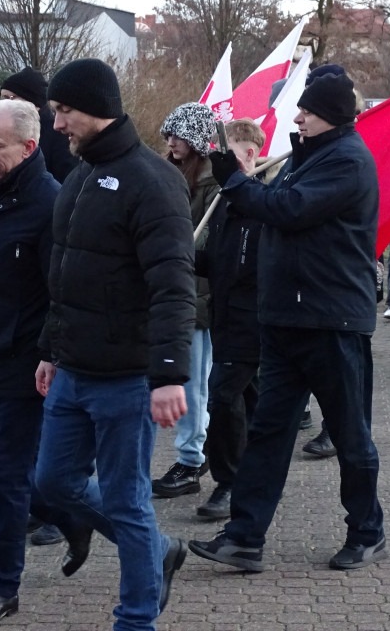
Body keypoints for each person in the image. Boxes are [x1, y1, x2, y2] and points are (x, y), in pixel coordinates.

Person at [191, 69, 386, 572]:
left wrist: (233, 177)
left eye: (308, 111)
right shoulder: (312, 157)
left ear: (333, 117)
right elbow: (276, 206)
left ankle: (367, 530)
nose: (298, 117)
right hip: (285, 321)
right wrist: (232, 175)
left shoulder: (346, 161)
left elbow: (287, 210)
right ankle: (244, 537)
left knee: (349, 435)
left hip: (331, 323)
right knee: (269, 434)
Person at [33, 59, 192, 629]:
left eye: (64, 111)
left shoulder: (153, 179)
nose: (57, 125)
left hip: (127, 379)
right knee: (51, 482)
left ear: (97, 108)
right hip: (73, 371)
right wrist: (51, 349)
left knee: (126, 505)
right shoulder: (78, 176)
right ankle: (157, 550)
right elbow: (64, 276)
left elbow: (173, 283)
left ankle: (135, 618)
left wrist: (170, 373)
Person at [0, 99, 91, 627]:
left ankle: (2, 585)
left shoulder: (50, 202)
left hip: (23, 366)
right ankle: (70, 514)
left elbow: (63, 291)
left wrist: (47, 352)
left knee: (7, 475)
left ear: (28, 147)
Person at [193, 119, 266, 521]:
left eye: (229, 155)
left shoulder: (263, 202)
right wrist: (183, 257)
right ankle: (256, 468)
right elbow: (218, 262)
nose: (218, 164)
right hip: (223, 316)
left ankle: (230, 480)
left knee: (222, 396)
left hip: (250, 320)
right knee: (249, 397)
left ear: (251, 155)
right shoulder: (223, 204)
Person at [151, 102, 219, 499]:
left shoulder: (211, 186)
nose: (172, 142)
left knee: (192, 380)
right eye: (169, 135)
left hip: (194, 295)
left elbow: (205, 241)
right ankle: (193, 452)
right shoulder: (169, 174)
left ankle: (192, 458)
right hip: (169, 290)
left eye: (179, 136)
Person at [0, 66, 78, 183]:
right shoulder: (4, 130)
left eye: (9, 98)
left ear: (32, 101)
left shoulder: (60, 134)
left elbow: (66, 182)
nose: (2, 105)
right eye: (1, 99)